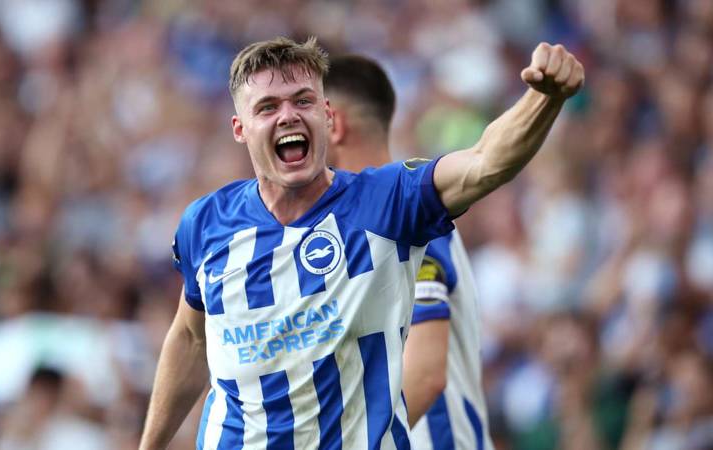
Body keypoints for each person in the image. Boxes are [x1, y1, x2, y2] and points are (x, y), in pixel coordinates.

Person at [139, 36, 583, 450]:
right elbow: (191, 338)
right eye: (268, 107)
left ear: (327, 116)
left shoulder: (386, 204)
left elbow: (486, 162)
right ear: (241, 128)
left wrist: (544, 99)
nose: (288, 115)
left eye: (303, 101)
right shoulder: (205, 223)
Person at [324, 54, 493, 449]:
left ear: (333, 124)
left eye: (306, 114)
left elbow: (425, 372)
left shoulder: (406, 215)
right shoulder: (370, 219)